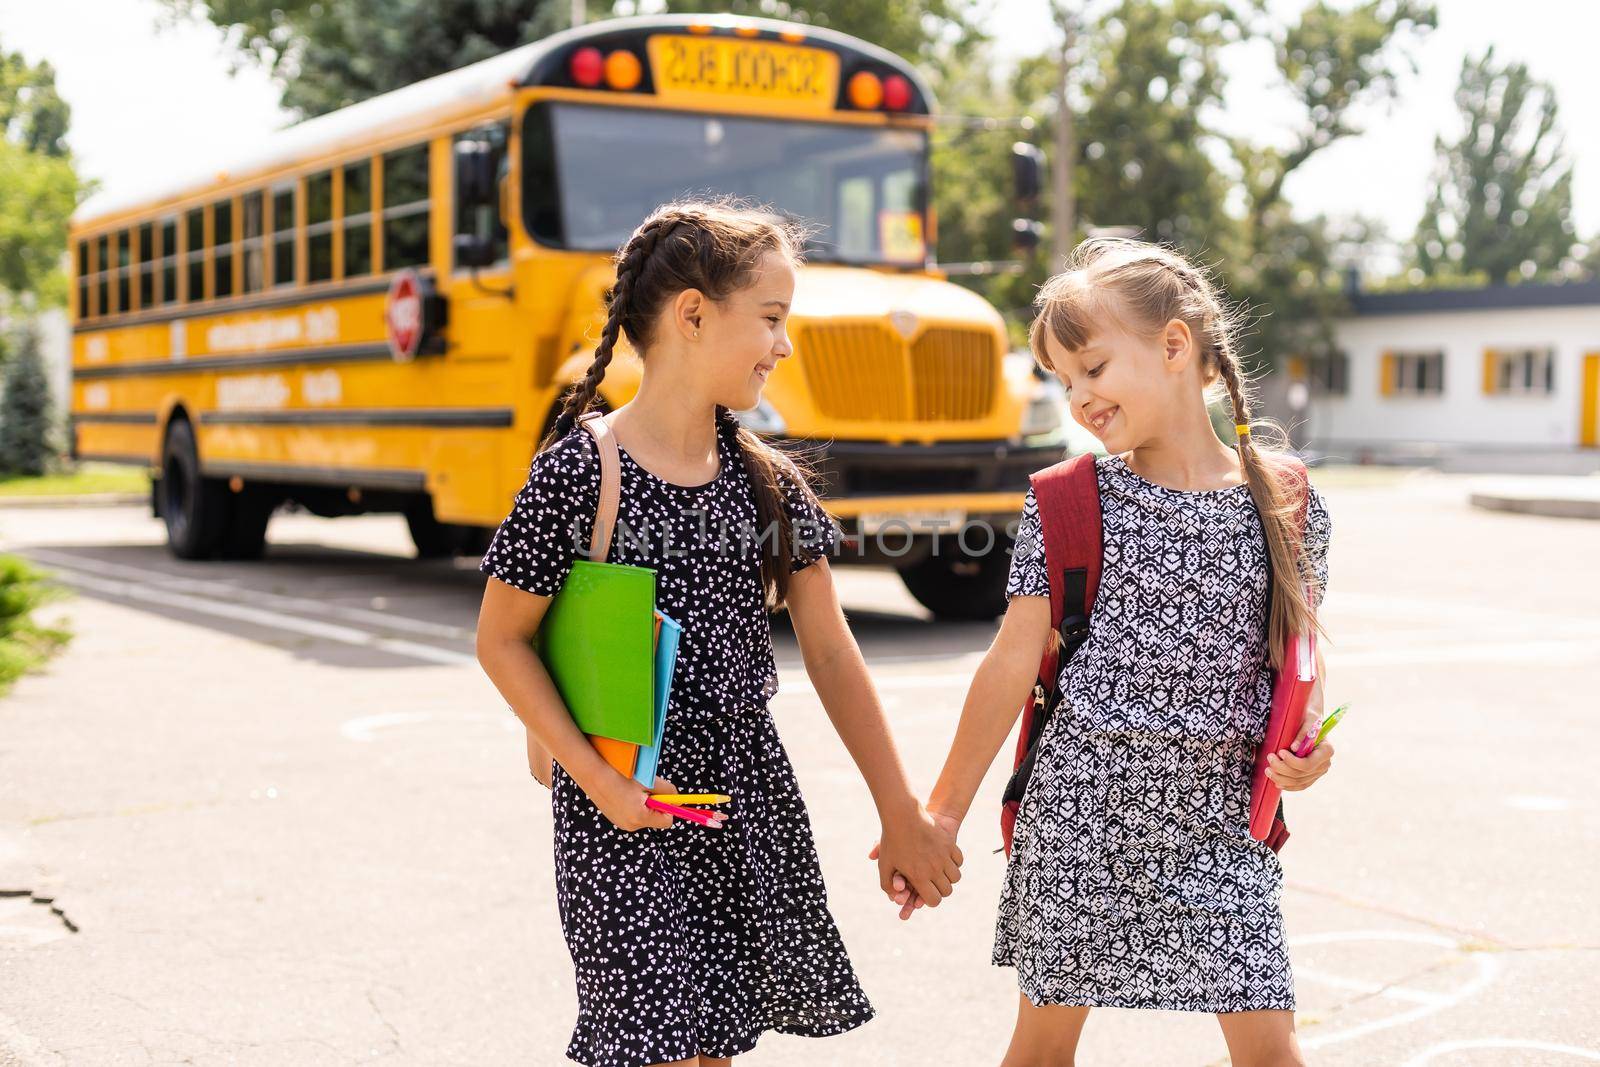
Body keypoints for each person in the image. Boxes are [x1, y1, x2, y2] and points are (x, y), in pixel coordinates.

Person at [474, 199, 962, 1067]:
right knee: (661, 1047)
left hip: (742, 802)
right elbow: (501, 640)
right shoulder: (581, 473)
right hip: (620, 803)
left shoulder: (765, 478)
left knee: (708, 1052)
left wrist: (899, 810)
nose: (783, 344)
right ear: (692, 314)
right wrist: (600, 785)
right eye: (771, 319)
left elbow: (831, 649)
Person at [883, 238, 1336, 1067]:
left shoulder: (1290, 504)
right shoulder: (1068, 499)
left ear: (1174, 345)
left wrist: (1309, 750)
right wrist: (940, 815)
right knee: (1045, 1048)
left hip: (1220, 828)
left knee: (1272, 1046)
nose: (1079, 395)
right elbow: (1008, 665)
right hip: (1079, 821)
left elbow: (1294, 671)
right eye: (1064, 379)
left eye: (1092, 366)